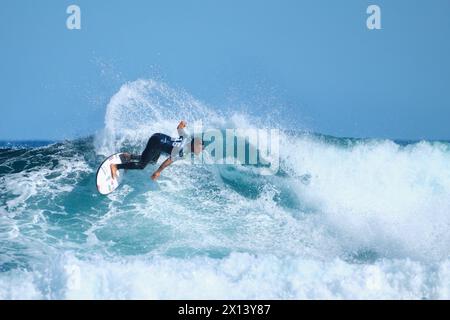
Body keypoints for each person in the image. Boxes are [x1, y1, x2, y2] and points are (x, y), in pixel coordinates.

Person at [110, 121, 203, 181]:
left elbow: (179, 127)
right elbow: (169, 160)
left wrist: (182, 124)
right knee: (141, 165)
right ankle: (116, 166)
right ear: (194, 145)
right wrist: (158, 172)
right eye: (200, 146)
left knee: (152, 161)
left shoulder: (187, 137)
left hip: (158, 137)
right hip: (156, 143)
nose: (201, 149)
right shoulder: (183, 152)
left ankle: (129, 157)